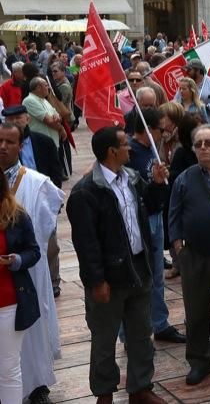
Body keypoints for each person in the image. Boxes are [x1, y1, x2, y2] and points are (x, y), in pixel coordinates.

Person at [66, 127, 169, 403]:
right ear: (112, 152)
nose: (130, 149)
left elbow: (152, 206)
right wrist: (97, 281)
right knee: (104, 338)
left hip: (137, 269)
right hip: (109, 277)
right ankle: (104, 393)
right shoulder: (86, 192)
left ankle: (140, 387)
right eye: (124, 145)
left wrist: (158, 185)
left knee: (140, 333)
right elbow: (86, 245)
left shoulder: (132, 179)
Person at [0, 123, 64, 404]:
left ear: (21, 145)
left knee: (31, 331)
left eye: (10, 142)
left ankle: (37, 384)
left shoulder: (38, 183)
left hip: (29, 271)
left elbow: (46, 229)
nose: (3, 146)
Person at [169, 125, 210, 386]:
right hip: (194, 256)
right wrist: (178, 249)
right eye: (198, 144)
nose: (203, 148)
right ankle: (199, 361)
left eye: (209, 142)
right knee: (195, 313)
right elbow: (173, 215)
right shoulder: (184, 178)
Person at [126, 108, 186, 345]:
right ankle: (132, 332)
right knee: (142, 276)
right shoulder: (129, 153)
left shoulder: (152, 147)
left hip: (156, 214)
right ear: (148, 130)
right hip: (141, 219)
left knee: (157, 275)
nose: (165, 132)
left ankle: (160, 323)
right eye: (161, 129)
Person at [0, 170, 40, 404]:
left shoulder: (17, 214)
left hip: (9, 304)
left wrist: (16, 260)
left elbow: (33, 251)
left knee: (8, 367)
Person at [22, 77, 62, 148]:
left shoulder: (44, 100)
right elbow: (49, 121)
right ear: (38, 87)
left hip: (52, 143)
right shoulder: (30, 100)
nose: (48, 87)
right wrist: (61, 128)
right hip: (41, 144)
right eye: (46, 85)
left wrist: (56, 117)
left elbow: (58, 116)